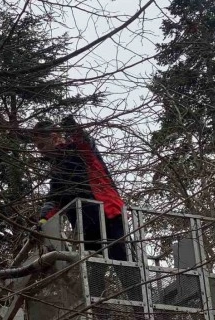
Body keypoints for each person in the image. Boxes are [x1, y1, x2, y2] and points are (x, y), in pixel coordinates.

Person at [32, 117, 142, 307]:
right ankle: (101, 314)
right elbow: (54, 200)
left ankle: (143, 310)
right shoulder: (57, 171)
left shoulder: (79, 151)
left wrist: (71, 126)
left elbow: (85, 141)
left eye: (42, 144)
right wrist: (42, 221)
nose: (40, 150)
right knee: (93, 276)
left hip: (107, 216)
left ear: (55, 137)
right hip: (85, 228)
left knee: (124, 264)